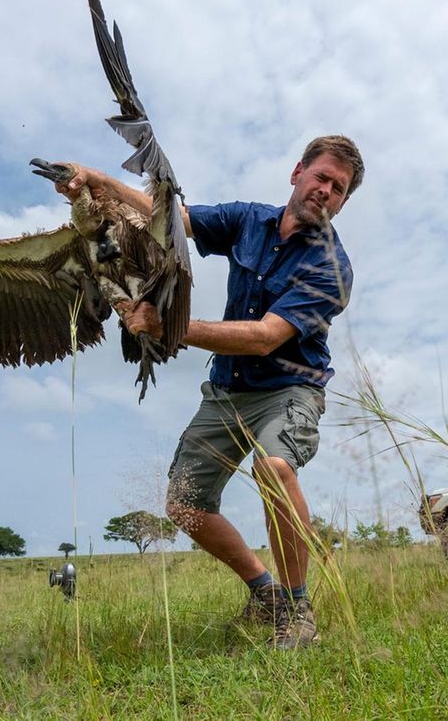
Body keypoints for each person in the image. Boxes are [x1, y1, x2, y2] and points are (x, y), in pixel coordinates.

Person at [51, 135, 362, 648]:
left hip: (289, 387)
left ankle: (296, 606)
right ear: (297, 173)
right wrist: (98, 181)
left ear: (344, 201)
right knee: (184, 504)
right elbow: (176, 218)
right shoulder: (248, 220)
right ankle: (264, 594)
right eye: (321, 177)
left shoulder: (331, 268)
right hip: (227, 388)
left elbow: (265, 338)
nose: (326, 191)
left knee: (275, 468)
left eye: (339, 188)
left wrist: (167, 325)